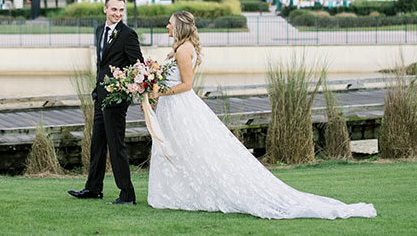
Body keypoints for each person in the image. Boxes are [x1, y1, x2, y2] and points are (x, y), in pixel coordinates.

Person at [146, 11, 376, 219]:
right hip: (173, 108)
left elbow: (187, 84)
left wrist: (160, 90)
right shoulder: (182, 48)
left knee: (191, 150)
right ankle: (182, 191)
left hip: (181, 106)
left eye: (170, 23)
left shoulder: (185, 49)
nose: (167, 26)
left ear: (180, 26)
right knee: (181, 151)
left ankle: (194, 192)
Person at [69, 0, 144, 205]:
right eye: (114, 10)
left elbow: (138, 66)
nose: (118, 14)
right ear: (105, 9)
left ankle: (127, 195)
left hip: (117, 100)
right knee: (97, 143)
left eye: (121, 10)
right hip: (100, 97)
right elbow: (101, 65)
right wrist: (96, 89)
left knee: (116, 145)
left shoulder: (128, 35)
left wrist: (124, 90)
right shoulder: (100, 30)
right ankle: (93, 189)